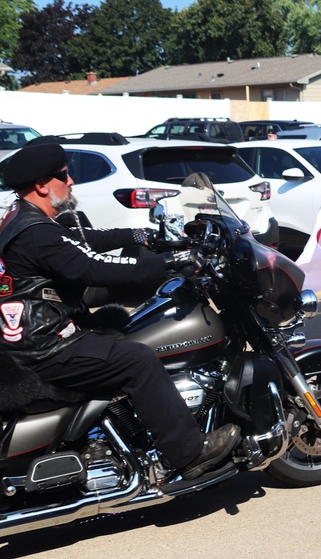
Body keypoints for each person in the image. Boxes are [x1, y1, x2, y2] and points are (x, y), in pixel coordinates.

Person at [0, 142, 241, 481]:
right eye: (63, 176)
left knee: (127, 331)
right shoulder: (37, 232)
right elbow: (94, 267)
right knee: (138, 360)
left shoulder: (22, 219)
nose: (70, 182)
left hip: (31, 339)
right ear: (42, 185)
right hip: (46, 347)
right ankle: (187, 453)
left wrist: (145, 235)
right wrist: (173, 261)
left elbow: (81, 240)